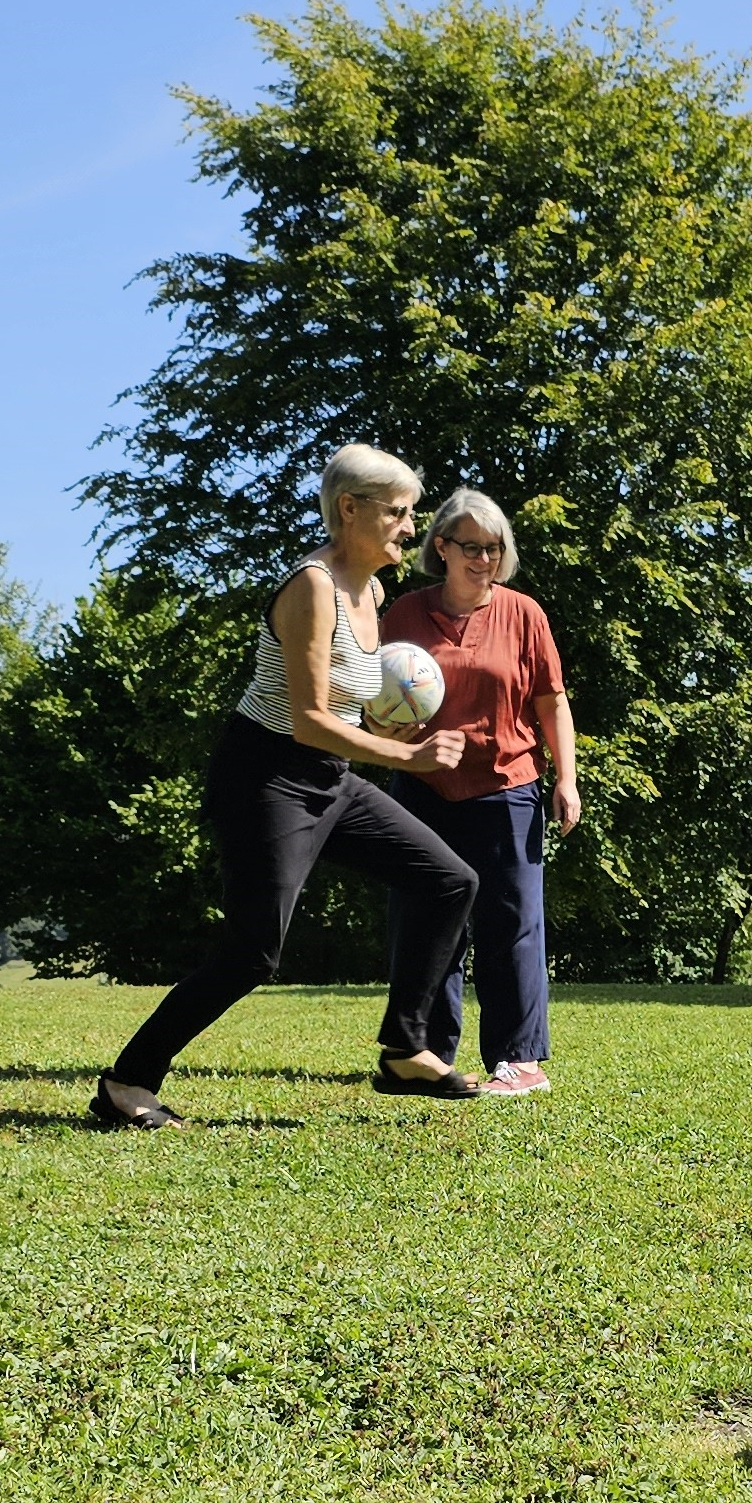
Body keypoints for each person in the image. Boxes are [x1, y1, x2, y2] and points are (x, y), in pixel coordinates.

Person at [93, 444, 486, 1130]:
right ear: (348, 509)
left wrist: (395, 740)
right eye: (397, 512)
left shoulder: (373, 591)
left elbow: (343, 713)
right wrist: (414, 760)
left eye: (410, 513)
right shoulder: (313, 586)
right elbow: (307, 721)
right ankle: (126, 1083)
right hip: (265, 777)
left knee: (449, 879)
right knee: (252, 951)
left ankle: (404, 1048)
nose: (409, 527)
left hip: (329, 778)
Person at [380, 488, 581, 1097]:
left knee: (514, 924)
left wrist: (566, 779)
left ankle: (519, 1062)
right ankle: (426, 1055)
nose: (485, 560)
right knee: (425, 921)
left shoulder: (524, 614)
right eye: (472, 547)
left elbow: (551, 700)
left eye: (495, 549)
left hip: (507, 786)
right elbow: (373, 701)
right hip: (420, 788)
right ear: (440, 546)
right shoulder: (403, 615)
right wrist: (388, 733)